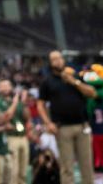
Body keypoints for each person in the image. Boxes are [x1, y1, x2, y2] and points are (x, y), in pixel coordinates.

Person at [35, 52, 96, 184]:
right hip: (62, 128)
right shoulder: (47, 81)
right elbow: (40, 104)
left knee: (87, 165)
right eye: (54, 59)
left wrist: (73, 82)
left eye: (59, 58)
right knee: (67, 167)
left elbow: (92, 92)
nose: (57, 61)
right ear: (50, 63)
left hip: (82, 126)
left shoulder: (75, 75)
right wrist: (48, 123)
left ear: (63, 60)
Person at [0, 82, 28, 184]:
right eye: (2, 86)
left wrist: (23, 102)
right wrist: (15, 103)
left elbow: (26, 116)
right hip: (10, 137)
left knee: (23, 171)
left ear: (11, 87)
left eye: (7, 86)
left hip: (22, 136)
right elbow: (6, 117)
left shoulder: (16, 100)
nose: (5, 89)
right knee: (14, 170)